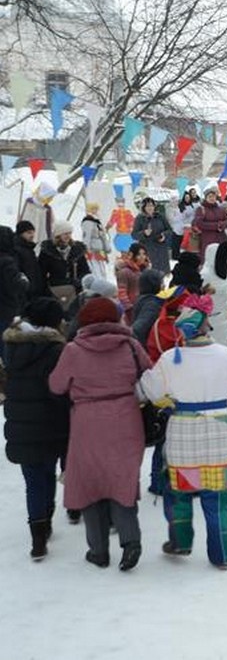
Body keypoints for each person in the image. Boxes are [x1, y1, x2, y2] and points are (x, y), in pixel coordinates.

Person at [139, 301, 227, 568]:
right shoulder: (224, 354)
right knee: (219, 496)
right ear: (206, 327)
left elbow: (150, 390)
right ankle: (222, 554)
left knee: (179, 491)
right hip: (221, 429)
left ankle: (180, 541)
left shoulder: (170, 358)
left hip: (183, 430)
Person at [49, 297, 147, 571]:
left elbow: (56, 385)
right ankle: (131, 542)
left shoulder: (73, 350)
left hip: (87, 422)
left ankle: (98, 551)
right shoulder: (130, 345)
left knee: (90, 484)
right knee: (122, 480)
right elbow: (148, 371)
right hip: (126, 418)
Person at [3, 298, 70, 560]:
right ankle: (47, 520)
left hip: (20, 422)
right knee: (47, 472)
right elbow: (59, 388)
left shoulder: (11, 345)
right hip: (50, 421)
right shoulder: (55, 350)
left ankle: (38, 537)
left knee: (32, 480)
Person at [39, 220, 90, 311]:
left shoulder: (77, 250)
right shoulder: (47, 251)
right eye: (65, 233)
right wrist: (46, 289)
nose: (68, 236)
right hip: (54, 289)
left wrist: (78, 281)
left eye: (70, 233)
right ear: (58, 235)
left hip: (75, 290)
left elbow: (85, 271)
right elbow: (41, 273)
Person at [0, 226, 30, 359]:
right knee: (5, 343)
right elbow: (17, 285)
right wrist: (24, 279)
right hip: (6, 308)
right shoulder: (7, 261)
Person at [200, 242, 227, 349]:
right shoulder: (204, 276)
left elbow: (221, 293)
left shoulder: (218, 273)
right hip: (212, 320)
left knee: (226, 346)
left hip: (223, 318)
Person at [132, 197, 171, 274]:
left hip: (161, 250)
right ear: (144, 207)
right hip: (147, 250)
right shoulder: (139, 218)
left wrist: (164, 235)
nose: (150, 208)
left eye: (151, 205)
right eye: (147, 206)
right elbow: (134, 235)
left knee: (162, 275)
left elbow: (169, 230)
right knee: (150, 275)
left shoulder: (160, 216)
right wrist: (144, 233)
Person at [192, 186, 227, 263]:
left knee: (219, 262)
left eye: (214, 196)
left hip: (220, 239)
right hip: (207, 240)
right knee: (207, 261)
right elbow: (200, 224)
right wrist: (216, 226)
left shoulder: (220, 209)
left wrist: (221, 225)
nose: (212, 198)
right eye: (210, 196)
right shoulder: (201, 209)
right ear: (206, 198)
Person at [130, 269, 165, 348]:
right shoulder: (152, 304)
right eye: (161, 283)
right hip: (148, 348)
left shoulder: (143, 298)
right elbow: (138, 328)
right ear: (154, 284)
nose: (164, 286)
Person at [14, 221, 46, 300]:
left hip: (34, 291)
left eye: (33, 232)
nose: (32, 235)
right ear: (21, 233)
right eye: (29, 233)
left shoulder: (29, 248)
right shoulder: (17, 250)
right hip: (25, 293)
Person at [80, 202, 112, 280]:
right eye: (93, 209)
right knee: (96, 270)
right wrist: (86, 248)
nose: (95, 211)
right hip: (92, 249)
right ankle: (99, 283)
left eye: (96, 209)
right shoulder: (87, 221)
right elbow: (87, 236)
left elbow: (103, 235)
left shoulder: (97, 221)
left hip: (99, 248)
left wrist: (106, 247)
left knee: (102, 270)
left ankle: (104, 282)